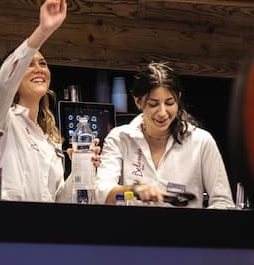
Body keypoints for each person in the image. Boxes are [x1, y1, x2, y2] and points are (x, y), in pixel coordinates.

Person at [0, 0, 82, 202]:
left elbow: (58, 201)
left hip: (43, 224)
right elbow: (2, 86)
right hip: (4, 221)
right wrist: (43, 31)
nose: (39, 69)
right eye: (29, 64)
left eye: (43, 64)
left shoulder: (49, 139)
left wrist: (81, 167)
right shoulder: (0, 120)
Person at [95, 62, 235, 209]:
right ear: (138, 102)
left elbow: (223, 202)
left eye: (169, 103)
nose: (162, 112)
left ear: (178, 99)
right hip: (131, 224)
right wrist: (132, 190)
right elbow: (102, 194)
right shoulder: (119, 138)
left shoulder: (201, 142)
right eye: (153, 104)